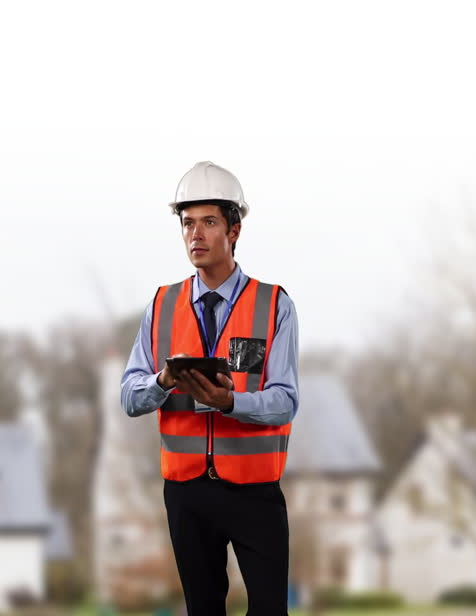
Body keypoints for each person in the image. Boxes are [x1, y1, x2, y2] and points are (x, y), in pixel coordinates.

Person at [121, 161, 300, 616]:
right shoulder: (161, 306)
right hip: (186, 492)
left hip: (254, 491)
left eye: (209, 222)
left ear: (234, 230)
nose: (195, 235)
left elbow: (285, 400)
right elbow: (129, 396)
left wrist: (231, 402)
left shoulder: (274, 305)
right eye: (187, 224)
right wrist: (162, 381)